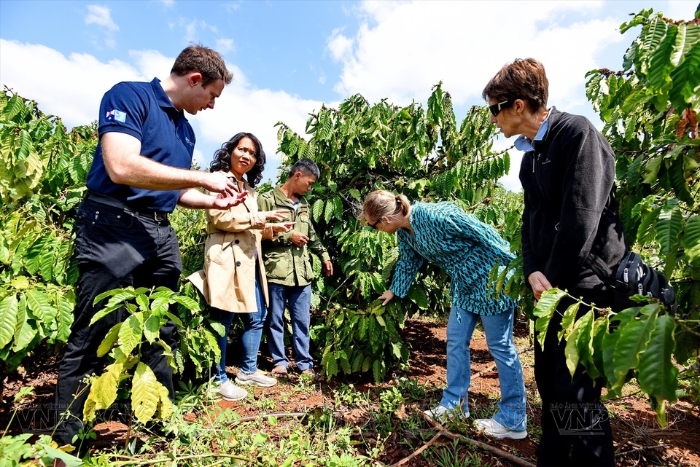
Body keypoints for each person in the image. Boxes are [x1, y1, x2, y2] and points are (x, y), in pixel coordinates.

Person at [54, 45, 244, 448]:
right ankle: (67, 440)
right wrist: (201, 177)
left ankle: (159, 422)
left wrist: (211, 199)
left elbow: (167, 191)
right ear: (195, 79)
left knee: (163, 329)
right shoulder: (130, 96)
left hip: (159, 233)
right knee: (93, 331)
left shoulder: (186, 130)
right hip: (113, 227)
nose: (212, 105)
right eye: (212, 95)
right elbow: (121, 166)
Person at [482, 58, 627, 466]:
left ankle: (590, 460)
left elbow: (583, 218)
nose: (493, 120)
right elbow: (531, 219)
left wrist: (553, 278)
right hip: (550, 289)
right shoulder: (531, 156)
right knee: (549, 380)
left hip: (584, 289)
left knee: (576, 388)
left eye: (494, 108)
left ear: (517, 106)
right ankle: (553, 455)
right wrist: (532, 270)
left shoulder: (576, 134)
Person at [363, 190, 527, 439]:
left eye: (373, 226)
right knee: (455, 340)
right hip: (464, 287)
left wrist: (517, 269)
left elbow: (482, 231)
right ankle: (454, 407)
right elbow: (409, 262)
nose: (375, 230)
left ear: (383, 221)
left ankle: (514, 419)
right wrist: (394, 291)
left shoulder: (435, 215)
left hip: (492, 281)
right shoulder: (405, 233)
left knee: (500, 346)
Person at [188, 132, 294, 400]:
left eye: (253, 153)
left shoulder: (249, 189)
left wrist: (271, 229)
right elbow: (222, 219)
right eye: (242, 149)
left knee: (256, 316)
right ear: (230, 151)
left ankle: (248, 370)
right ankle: (218, 378)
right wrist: (262, 218)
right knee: (223, 319)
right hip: (226, 258)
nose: (247, 156)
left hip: (248, 261)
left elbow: (251, 226)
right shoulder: (218, 181)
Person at [257, 159, 333, 380]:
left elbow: (311, 234)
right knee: (275, 319)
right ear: (297, 175)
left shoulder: (304, 204)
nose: (310, 188)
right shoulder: (267, 200)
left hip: (302, 273)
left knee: (302, 320)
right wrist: (289, 236)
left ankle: (304, 364)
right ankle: (280, 363)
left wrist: (324, 255)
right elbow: (257, 232)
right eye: (309, 183)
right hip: (277, 271)